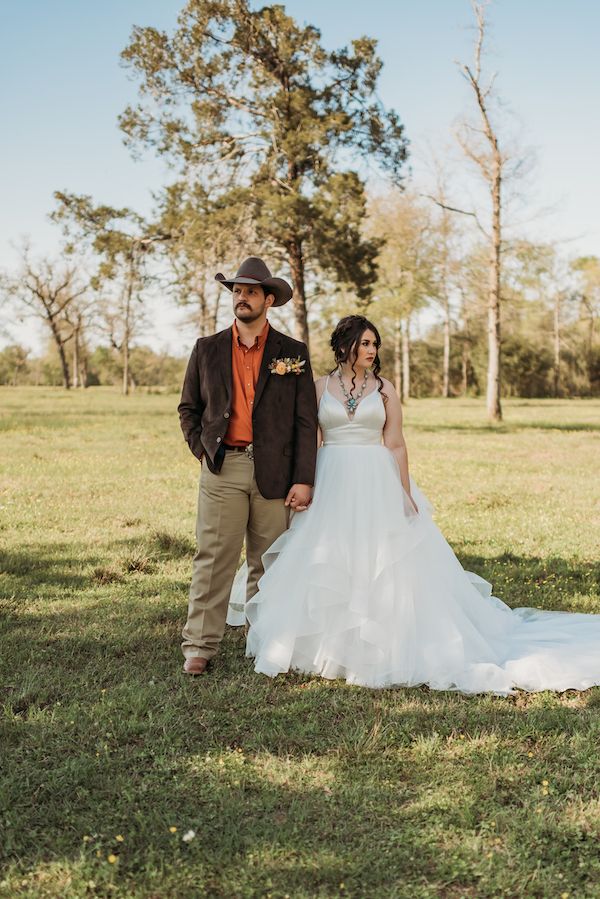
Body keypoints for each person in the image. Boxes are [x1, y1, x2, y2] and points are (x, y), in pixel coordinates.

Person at [240, 314, 600, 694]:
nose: (371, 351)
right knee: (329, 559)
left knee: (386, 564)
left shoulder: (385, 389)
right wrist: (307, 482)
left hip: (375, 479)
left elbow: (395, 443)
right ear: (344, 346)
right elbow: (310, 440)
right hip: (331, 478)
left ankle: (380, 645)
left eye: (374, 344)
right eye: (364, 343)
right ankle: (323, 644)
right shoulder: (317, 387)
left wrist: (405, 492)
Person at [178, 256, 318, 675]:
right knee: (214, 557)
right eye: (237, 291)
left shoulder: (293, 353)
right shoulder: (207, 349)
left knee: (270, 561)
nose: (242, 297)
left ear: (268, 299)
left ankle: (266, 641)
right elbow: (189, 407)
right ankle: (199, 646)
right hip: (224, 468)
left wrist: (304, 479)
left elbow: (305, 421)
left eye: (250, 291)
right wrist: (202, 450)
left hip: (276, 472)